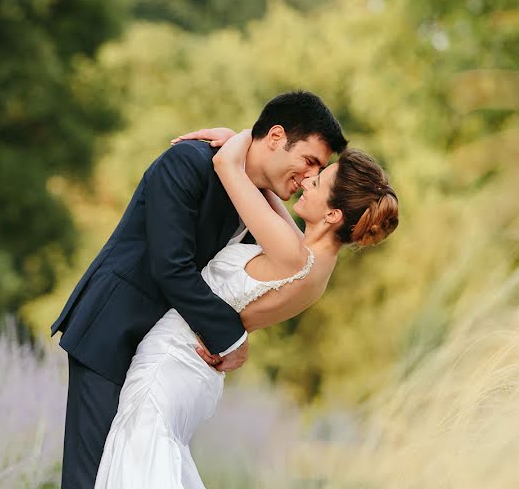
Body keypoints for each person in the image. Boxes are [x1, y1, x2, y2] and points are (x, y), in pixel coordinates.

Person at [51, 91, 347, 488]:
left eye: (319, 170)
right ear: (275, 137)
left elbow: (288, 266)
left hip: (164, 357)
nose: (309, 177)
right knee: (91, 478)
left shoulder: (252, 198)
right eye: (309, 161)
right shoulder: (187, 163)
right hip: (114, 333)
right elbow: (171, 267)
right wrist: (230, 337)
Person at [93, 129, 399, 487]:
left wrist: (243, 138)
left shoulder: (290, 252)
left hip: (170, 361)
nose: (308, 179)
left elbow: (226, 165)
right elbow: (267, 195)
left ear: (332, 215)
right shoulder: (313, 264)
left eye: (320, 180)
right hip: (196, 373)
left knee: (139, 467)